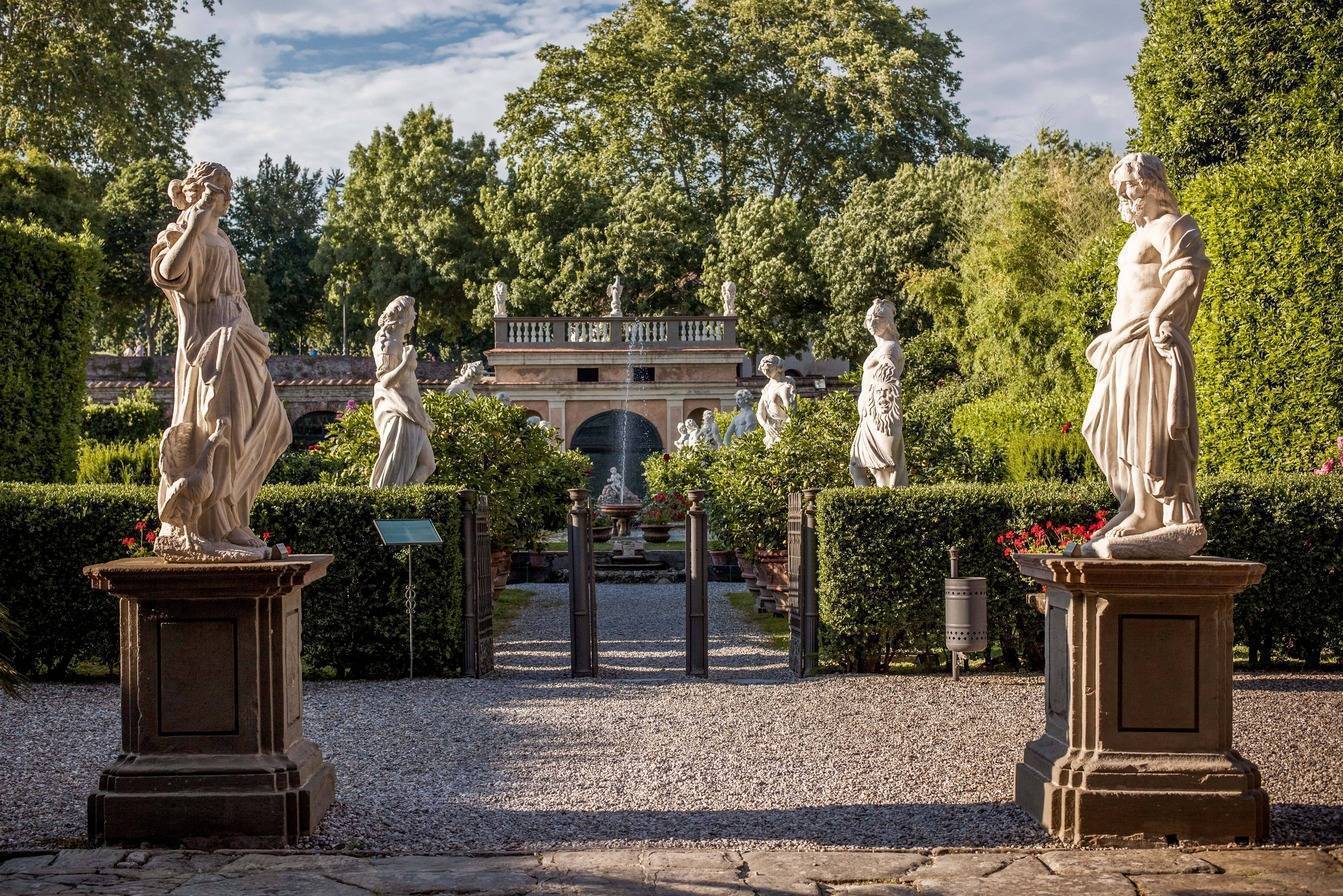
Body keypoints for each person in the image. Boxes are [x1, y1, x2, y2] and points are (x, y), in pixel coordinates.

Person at [149, 161, 290, 561]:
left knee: (273, 425)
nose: (222, 198)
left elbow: (235, 294)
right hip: (209, 344)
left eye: (226, 191)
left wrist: (252, 330)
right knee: (220, 427)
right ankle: (218, 522)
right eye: (215, 190)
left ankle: (234, 513)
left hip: (239, 337)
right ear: (194, 192)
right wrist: (192, 227)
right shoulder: (177, 234)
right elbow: (167, 272)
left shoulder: (225, 240)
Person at [1079, 152, 1209, 557]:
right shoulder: (1136, 235)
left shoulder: (1172, 225)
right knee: (1109, 424)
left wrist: (1159, 316)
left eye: (1128, 188)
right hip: (1123, 343)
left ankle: (1151, 513)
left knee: (1144, 425)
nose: (1123, 196)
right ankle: (1135, 503)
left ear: (1148, 186)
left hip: (1148, 341)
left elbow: (1187, 273)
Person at [370, 296, 436, 487]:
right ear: (402, 317)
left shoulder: (399, 343)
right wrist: (406, 364)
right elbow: (386, 381)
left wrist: (421, 414)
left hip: (410, 411)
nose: (415, 316)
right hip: (399, 413)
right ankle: (392, 501)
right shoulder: (389, 345)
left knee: (428, 465)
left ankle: (402, 502)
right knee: (395, 468)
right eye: (412, 313)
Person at [849, 299, 907, 487]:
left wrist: (887, 368)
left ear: (888, 322)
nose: (872, 322)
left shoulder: (889, 348)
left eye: (878, 318)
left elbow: (888, 371)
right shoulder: (879, 348)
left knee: (885, 467)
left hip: (881, 414)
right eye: (869, 318)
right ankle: (870, 506)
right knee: (860, 465)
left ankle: (882, 507)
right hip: (868, 415)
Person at [756, 355, 795, 447]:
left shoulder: (784, 387)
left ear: (779, 368)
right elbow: (759, 413)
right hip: (770, 431)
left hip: (782, 431)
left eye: (768, 370)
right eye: (764, 370)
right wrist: (765, 425)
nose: (766, 372)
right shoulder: (767, 388)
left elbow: (792, 414)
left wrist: (785, 435)